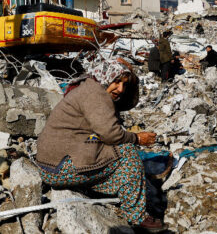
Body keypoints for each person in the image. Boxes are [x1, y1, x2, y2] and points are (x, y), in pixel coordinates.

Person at [34, 58, 166, 231]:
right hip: (59, 167)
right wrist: (137, 138)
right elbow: (111, 134)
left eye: (124, 84)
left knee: (106, 147)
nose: (120, 89)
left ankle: (112, 190)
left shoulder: (89, 86)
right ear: (106, 77)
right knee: (127, 152)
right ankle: (138, 217)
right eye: (116, 82)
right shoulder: (96, 95)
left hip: (52, 162)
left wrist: (131, 75)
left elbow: (111, 121)